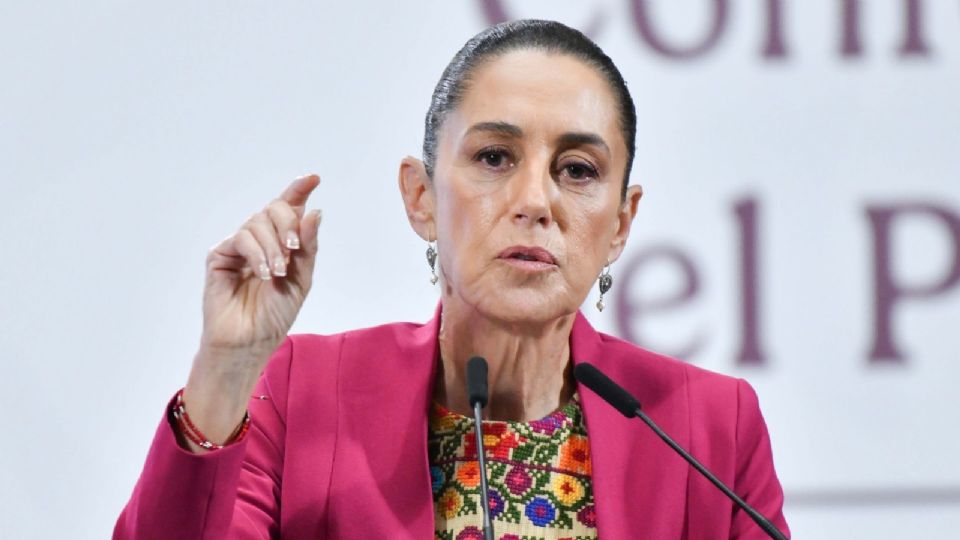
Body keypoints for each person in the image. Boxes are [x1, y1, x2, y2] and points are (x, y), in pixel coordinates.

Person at [113, 19, 789, 540]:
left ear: (620, 222)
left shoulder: (708, 429)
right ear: (420, 197)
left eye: (578, 169)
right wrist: (227, 371)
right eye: (494, 157)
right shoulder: (304, 394)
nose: (536, 201)